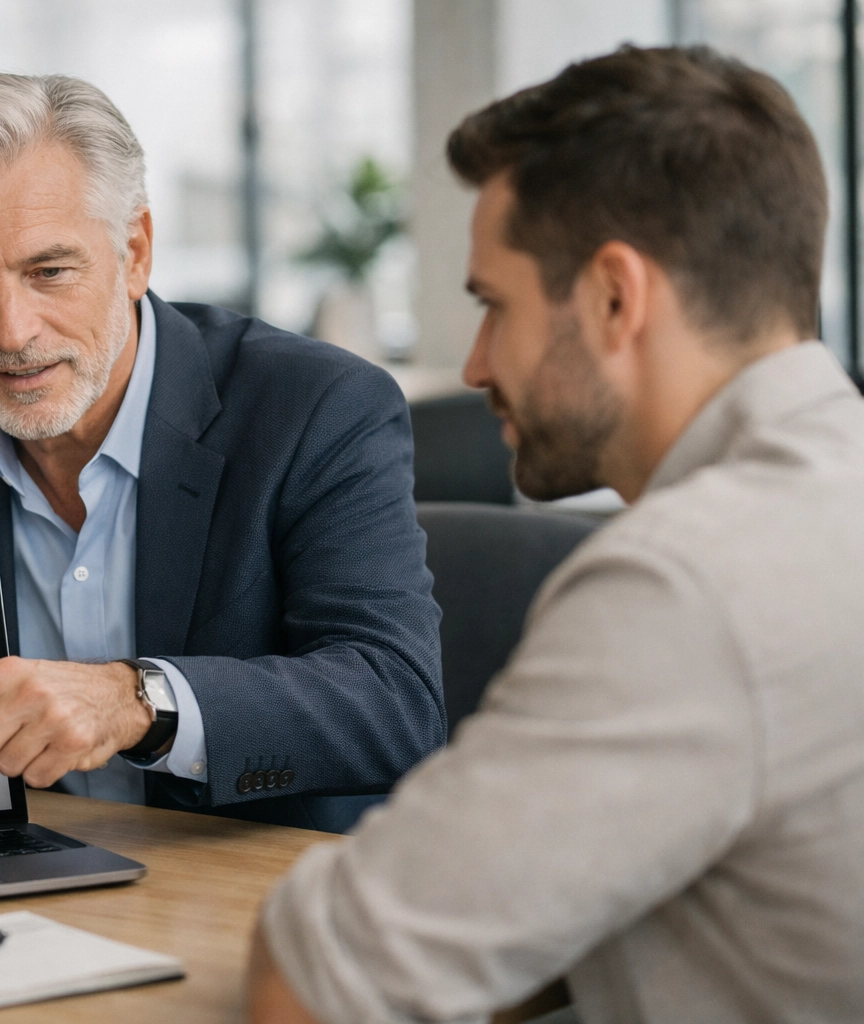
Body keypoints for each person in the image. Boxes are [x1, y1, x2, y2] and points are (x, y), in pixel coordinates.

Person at [250, 45, 864, 1023]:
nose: (481, 363)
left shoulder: (686, 587)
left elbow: (319, 984)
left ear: (616, 297)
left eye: (494, 304)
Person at [0, 72, 444, 828]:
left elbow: (394, 702)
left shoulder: (315, 407)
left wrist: (136, 700)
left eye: (49, 271)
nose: (13, 331)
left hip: (247, 886)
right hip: (7, 874)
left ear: (135, 253)